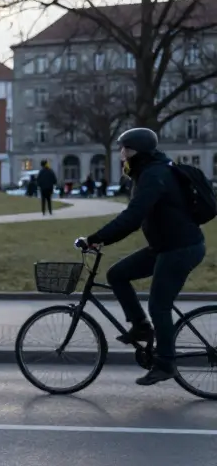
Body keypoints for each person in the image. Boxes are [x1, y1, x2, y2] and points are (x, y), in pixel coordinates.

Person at [80, 127, 206, 385]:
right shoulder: (149, 172)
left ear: (138, 152)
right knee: (117, 274)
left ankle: (166, 364)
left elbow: (132, 217)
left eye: (125, 150)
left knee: (159, 305)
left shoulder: (154, 175)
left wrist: (96, 238)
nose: (121, 155)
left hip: (181, 248)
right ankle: (141, 327)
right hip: (165, 246)